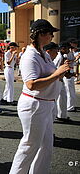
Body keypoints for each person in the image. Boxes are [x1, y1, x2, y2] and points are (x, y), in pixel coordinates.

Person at [9, 19, 70, 174]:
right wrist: (56, 74)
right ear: (40, 34)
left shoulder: (43, 53)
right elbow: (32, 84)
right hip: (34, 105)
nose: (51, 36)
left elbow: (50, 76)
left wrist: (60, 73)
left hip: (46, 104)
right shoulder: (30, 56)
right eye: (49, 33)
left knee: (46, 147)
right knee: (29, 147)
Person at [53, 42, 71, 122]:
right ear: (63, 48)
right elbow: (56, 69)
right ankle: (57, 115)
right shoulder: (59, 57)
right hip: (57, 80)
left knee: (62, 97)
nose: (69, 50)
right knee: (58, 98)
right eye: (67, 48)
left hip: (60, 79)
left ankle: (61, 115)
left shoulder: (62, 56)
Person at [64, 38, 78, 112]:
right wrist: (75, 59)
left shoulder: (71, 52)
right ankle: (69, 106)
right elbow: (67, 62)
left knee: (71, 90)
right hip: (68, 71)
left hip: (71, 70)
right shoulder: (67, 52)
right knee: (69, 90)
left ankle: (71, 105)